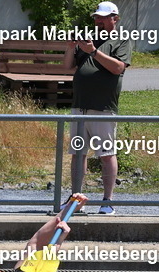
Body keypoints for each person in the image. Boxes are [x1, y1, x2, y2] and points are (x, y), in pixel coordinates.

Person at [64, 1, 133, 215]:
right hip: (79, 106)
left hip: (103, 107)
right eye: (96, 17)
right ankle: (75, 199)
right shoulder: (88, 38)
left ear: (115, 19)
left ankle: (107, 201)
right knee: (78, 153)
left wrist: (93, 51)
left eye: (103, 17)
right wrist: (69, 48)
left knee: (106, 154)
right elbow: (68, 67)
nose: (98, 21)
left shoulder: (121, 40)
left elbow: (118, 68)